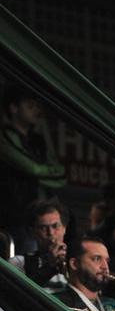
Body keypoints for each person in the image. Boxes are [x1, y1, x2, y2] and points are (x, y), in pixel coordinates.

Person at [0, 87, 64, 233]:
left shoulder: (38, 141)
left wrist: (38, 172)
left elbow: (61, 174)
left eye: (37, 106)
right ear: (13, 108)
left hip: (40, 215)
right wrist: (43, 172)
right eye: (30, 105)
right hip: (14, 216)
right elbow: (32, 168)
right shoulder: (4, 137)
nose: (36, 110)